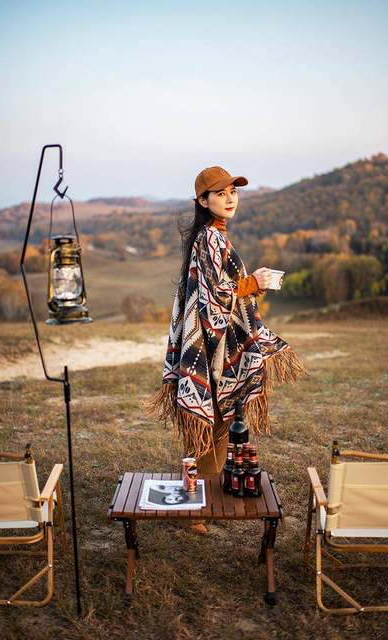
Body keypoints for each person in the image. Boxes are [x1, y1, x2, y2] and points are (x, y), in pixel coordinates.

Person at [150, 166, 303, 533]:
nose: (230, 198)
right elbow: (215, 295)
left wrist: (252, 284)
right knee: (209, 420)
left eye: (233, 191)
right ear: (203, 201)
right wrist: (252, 282)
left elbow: (220, 288)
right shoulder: (209, 238)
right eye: (220, 193)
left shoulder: (215, 236)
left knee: (218, 420)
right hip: (208, 344)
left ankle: (205, 500)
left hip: (214, 342)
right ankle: (196, 508)